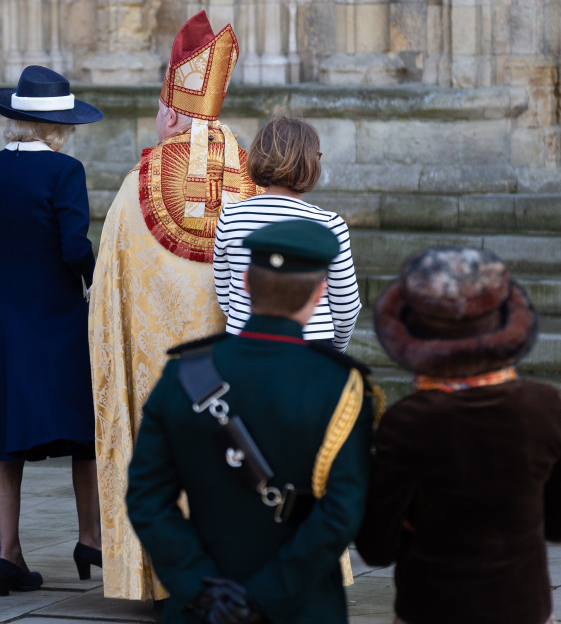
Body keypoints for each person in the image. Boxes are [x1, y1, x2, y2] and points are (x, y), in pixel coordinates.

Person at [126, 219, 381, 624]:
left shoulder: (185, 374)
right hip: (301, 607)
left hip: (202, 608)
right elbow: (341, 514)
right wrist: (264, 597)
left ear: (245, 281)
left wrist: (201, 588)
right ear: (320, 292)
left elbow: (146, 498)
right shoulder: (341, 386)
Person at [89, 11, 261, 606]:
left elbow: (106, 291)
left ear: (171, 109)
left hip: (160, 375)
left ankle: (164, 578)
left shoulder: (136, 185)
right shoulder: (253, 180)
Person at [355, 246, 561, 624]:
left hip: (430, 608)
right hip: (522, 608)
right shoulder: (545, 406)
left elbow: (377, 547)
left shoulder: (407, 422)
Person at [0, 66, 104, 596]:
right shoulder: (65, 172)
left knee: (4, 442)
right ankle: (89, 538)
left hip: (1, 319)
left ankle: (9, 556)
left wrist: (13, 280)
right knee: (83, 434)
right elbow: (74, 247)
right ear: (57, 127)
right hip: (59, 319)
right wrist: (96, 274)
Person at [213, 117, 360, 350]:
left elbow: (225, 295)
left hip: (244, 344)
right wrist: (335, 351)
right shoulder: (330, 224)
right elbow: (346, 308)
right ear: (311, 162)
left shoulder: (230, 216)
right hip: (311, 348)